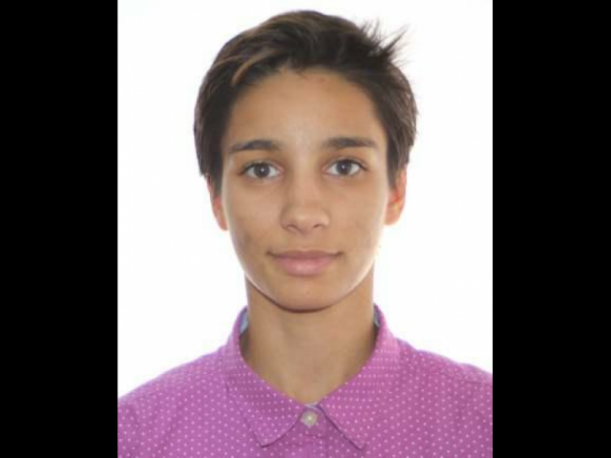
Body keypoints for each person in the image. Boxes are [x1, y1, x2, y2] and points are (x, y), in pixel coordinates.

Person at [118, 9, 492, 457]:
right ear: (216, 196)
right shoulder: (136, 437)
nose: (302, 213)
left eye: (344, 166)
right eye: (261, 169)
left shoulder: (481, 424)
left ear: (396, 190)